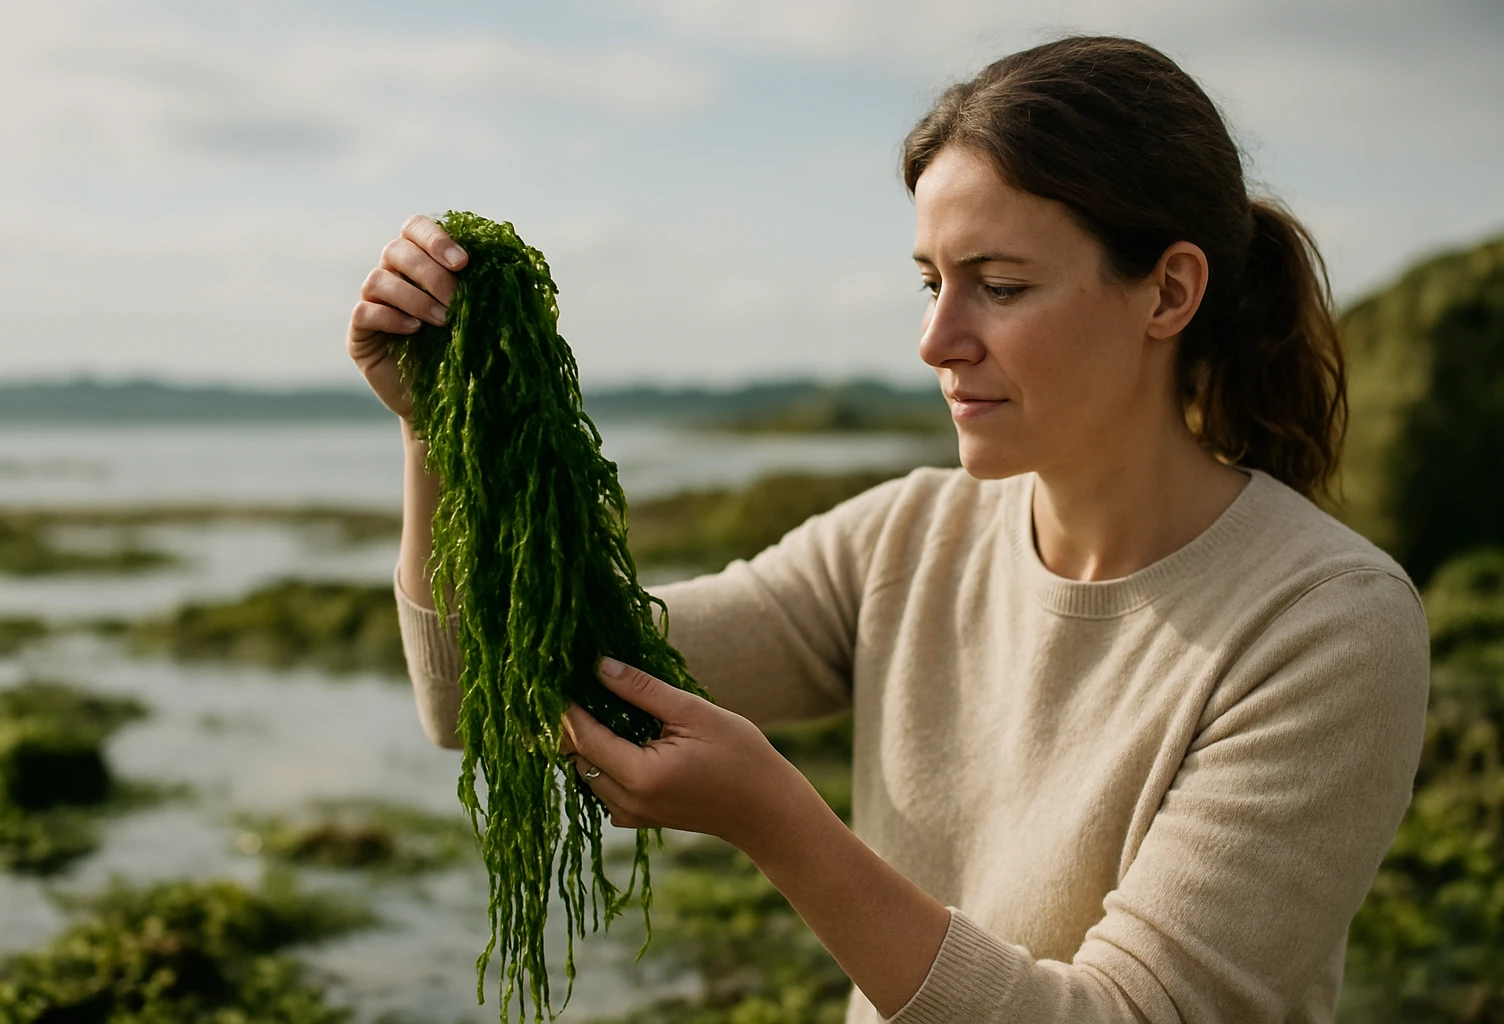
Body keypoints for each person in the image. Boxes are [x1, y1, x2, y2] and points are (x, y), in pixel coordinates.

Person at [347, 35, 1430, 1024]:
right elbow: (485, 692)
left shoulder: (1326, 626)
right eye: (931, 282)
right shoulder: (908, 540)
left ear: (1169, 292)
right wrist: (442, 432)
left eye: (998, 286)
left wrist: (780, 821)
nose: (937, 340)